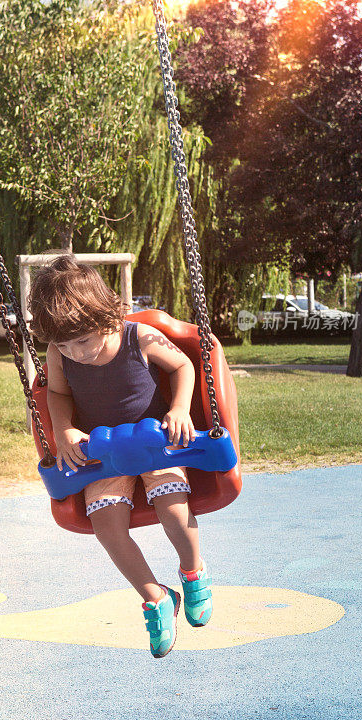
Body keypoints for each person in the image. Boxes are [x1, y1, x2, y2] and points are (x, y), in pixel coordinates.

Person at [28, 255, 212, 658]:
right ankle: (157, 597)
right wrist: (64, 429)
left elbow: (183, 365)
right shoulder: (60, 354)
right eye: (62, 344)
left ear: (106, 319)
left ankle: (193, 572)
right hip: (102, 450)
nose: (74, 353)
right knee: (106, 527)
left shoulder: (138, 337)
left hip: (156, 441)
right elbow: (57, 394)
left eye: (81, 341)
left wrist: (179, 409)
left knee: (172, 507)